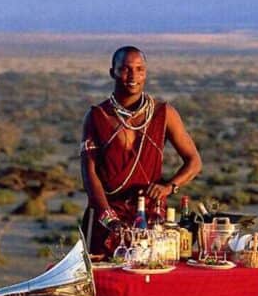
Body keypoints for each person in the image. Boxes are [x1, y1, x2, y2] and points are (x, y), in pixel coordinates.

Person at [80, 45, 202, 257]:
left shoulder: (164, 114)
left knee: (152, 278)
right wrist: (109, 219)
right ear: (113, 72)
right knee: (103, 284)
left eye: (139, 69)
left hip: (150, 217)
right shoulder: (97, 116)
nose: (133, 75)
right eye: (125, 69)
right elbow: (89, 175)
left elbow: (194, 162)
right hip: (106, 216)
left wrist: (168, 187)